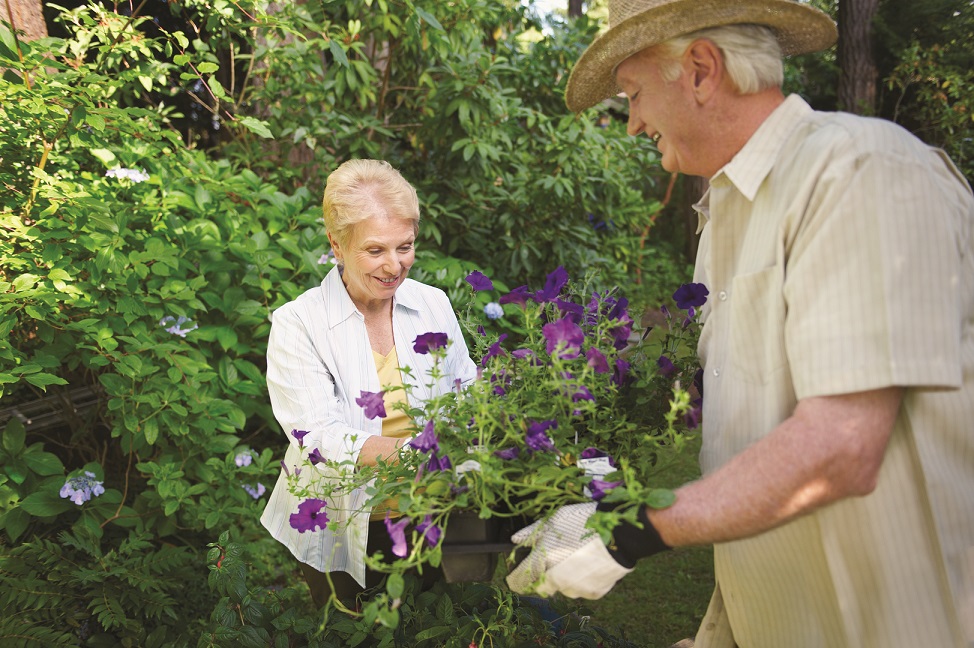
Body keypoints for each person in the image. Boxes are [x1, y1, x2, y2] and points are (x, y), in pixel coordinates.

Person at [506, 1, 974, 647]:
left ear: (700, 70)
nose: (633, 122)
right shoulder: (727, 214)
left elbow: (841, 446)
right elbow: (754, 446)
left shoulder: (860, 173)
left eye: (634, 93)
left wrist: (634, 527)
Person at [261, 159, 477, 607]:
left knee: (426, 619)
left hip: (426, 510)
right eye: (375, 250)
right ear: (337, 246)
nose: (395, 265)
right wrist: (418, 455)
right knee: (351, 626)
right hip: (341, 518)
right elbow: (314, 434)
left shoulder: (433, 303)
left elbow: (465, 389)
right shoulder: (299, 322)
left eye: (406, 246)